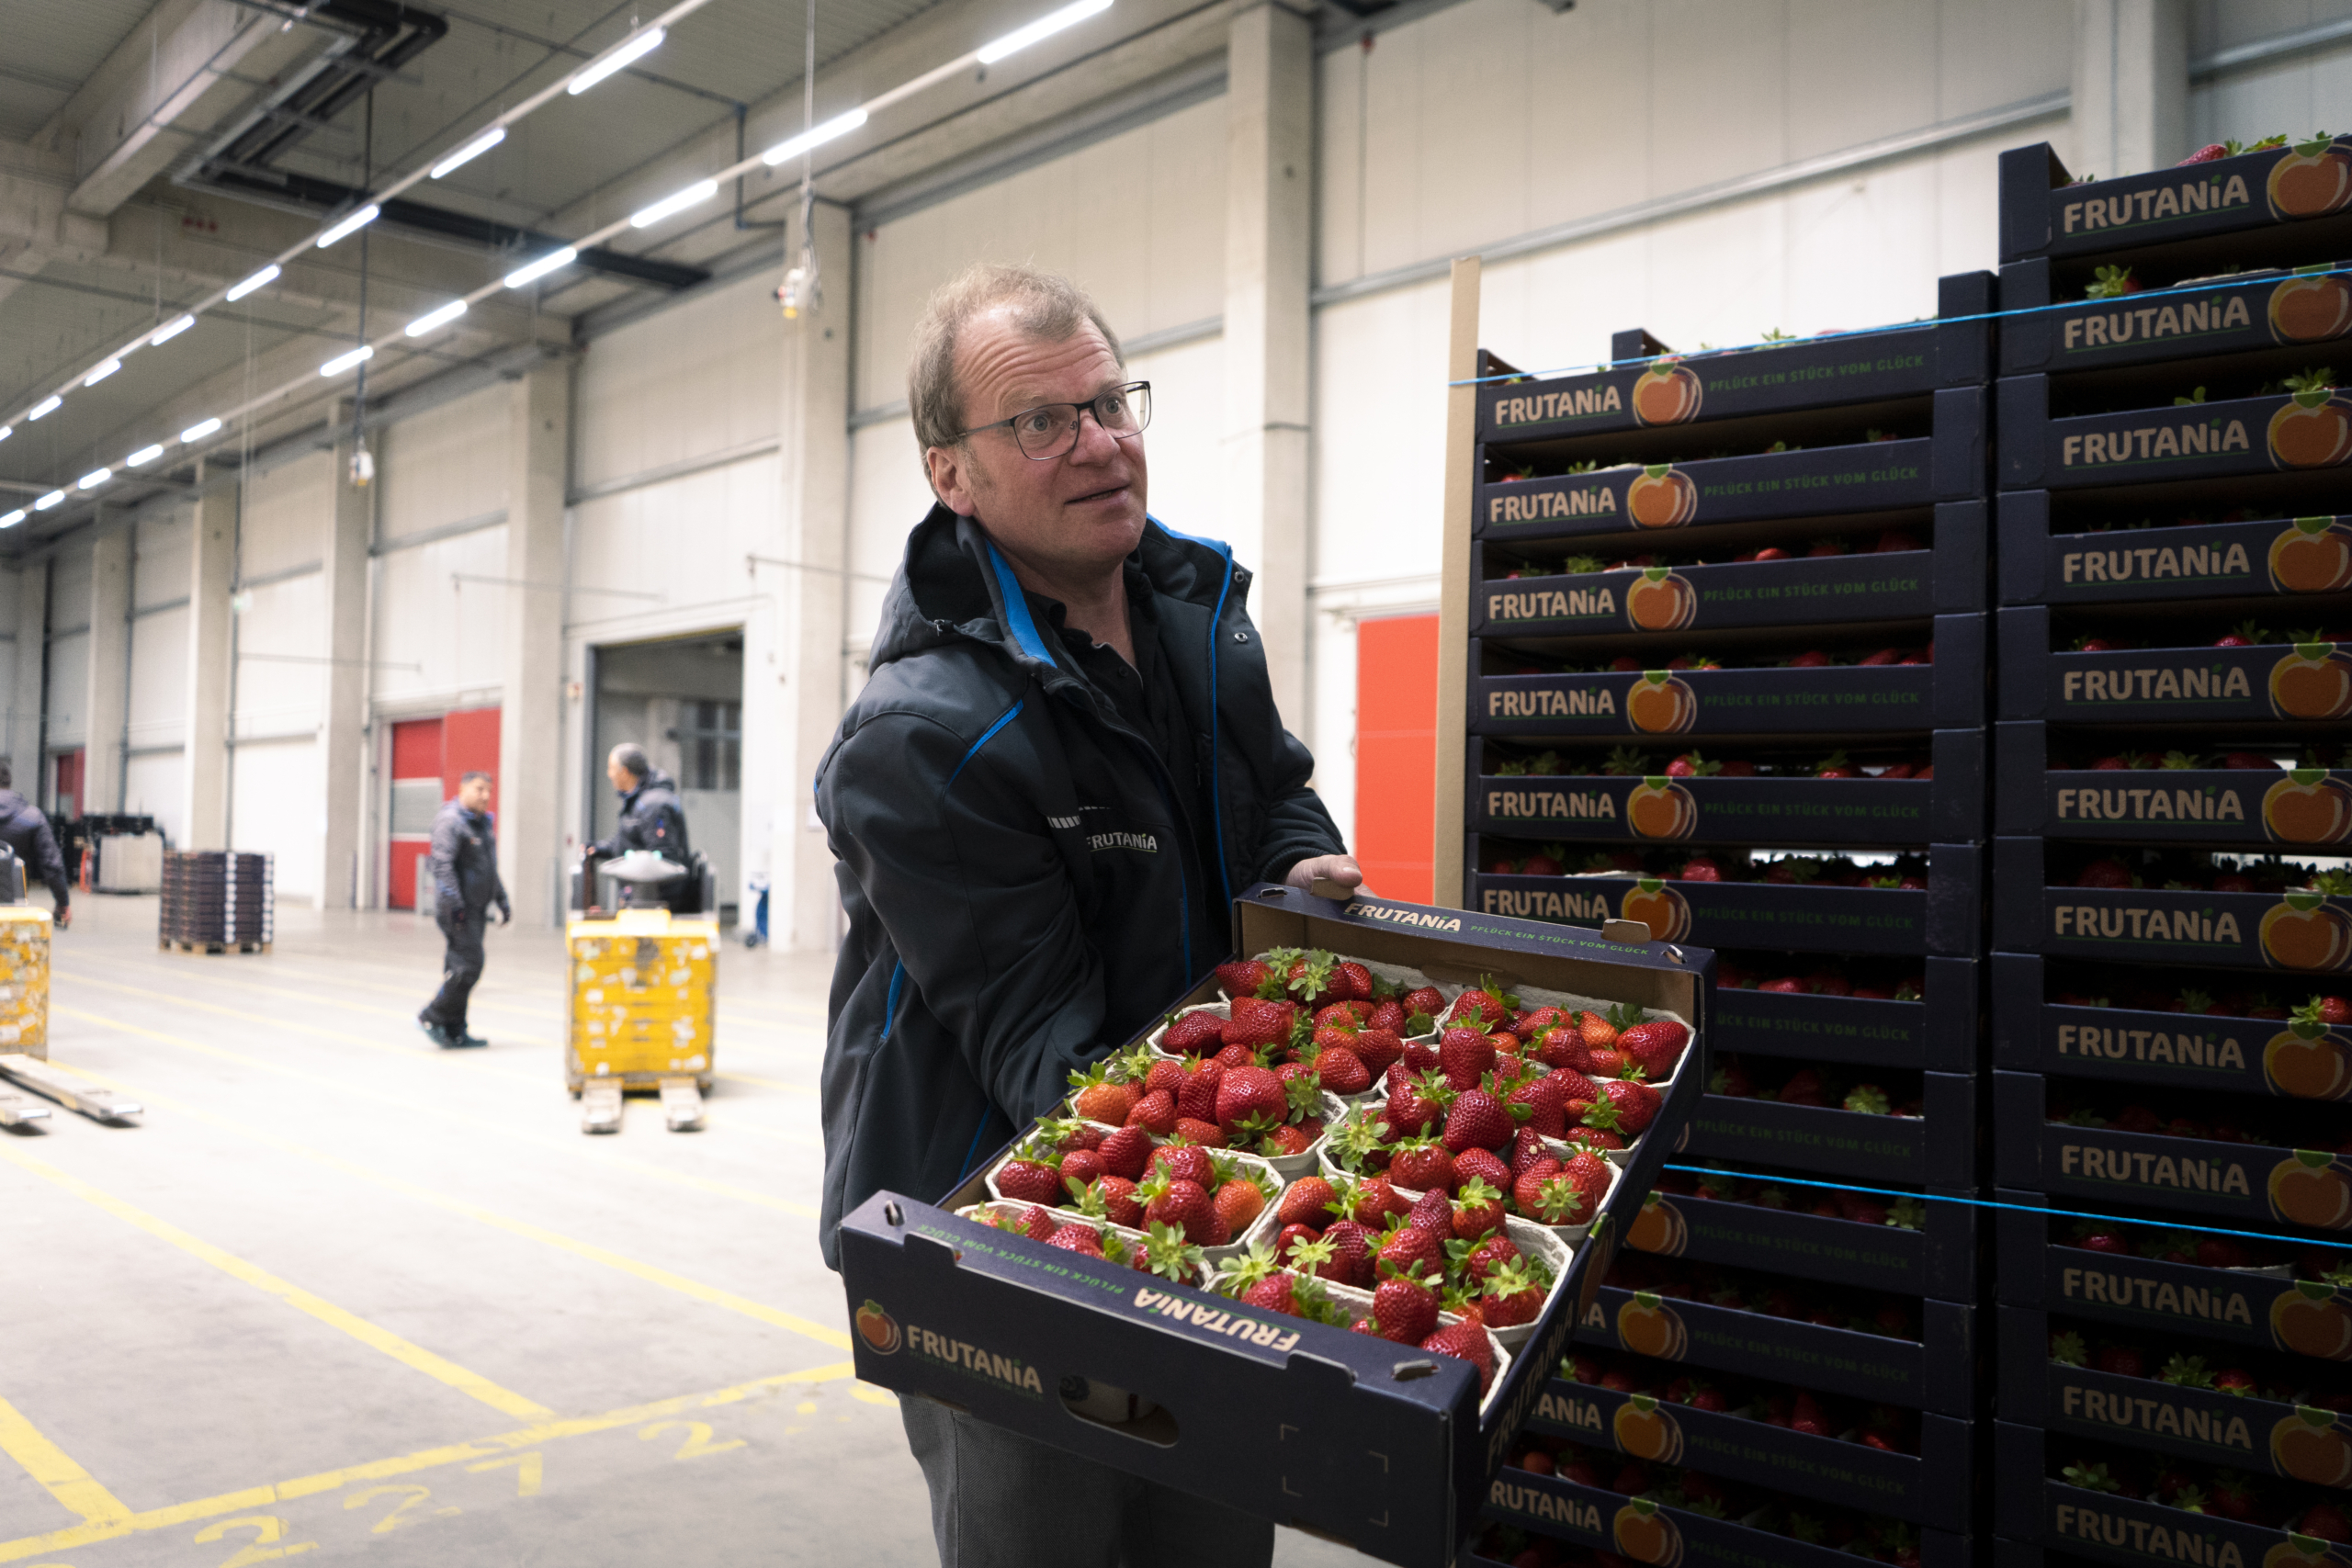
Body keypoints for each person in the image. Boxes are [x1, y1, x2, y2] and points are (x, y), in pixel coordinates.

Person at [814, 263, 1362, 1568]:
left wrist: (1305, 877)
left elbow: (1274, 791)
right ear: (953, 473)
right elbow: (1044, 1061)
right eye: (1043, 422)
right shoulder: (923, 737)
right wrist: (1293, 1172)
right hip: (996, 1219)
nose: (1104, 443)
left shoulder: (1198, 614)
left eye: (1112, 402)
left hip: (1196, 1154)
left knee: (1214, 1531)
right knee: (1053, 1530)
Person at [417, 771, 507, 1049]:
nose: (485, 796)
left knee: (458, 968)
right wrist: (455, 905)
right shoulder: (451, 821)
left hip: (477, 908)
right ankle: (432, 1015)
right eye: (479, 789)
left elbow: (488, 868)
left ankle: (455, 1030)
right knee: (469, 966)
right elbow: (442, 866)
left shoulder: (480, 824)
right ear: (462, 789)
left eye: (489, 791)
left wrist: (502, 899)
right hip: (457, 909)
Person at [0, 761, 71, 928]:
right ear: (9, 783)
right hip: (13, 907)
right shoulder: (32, 816)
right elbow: (51, 864)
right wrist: (63, 903)